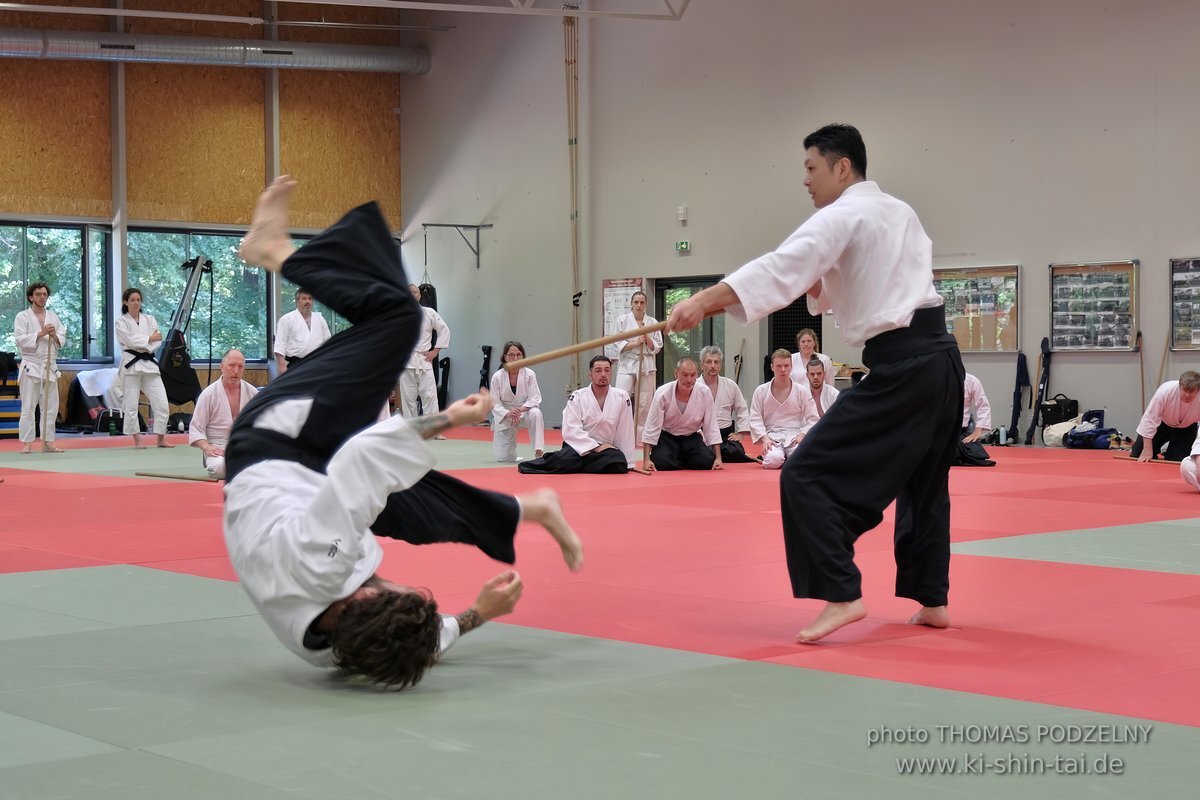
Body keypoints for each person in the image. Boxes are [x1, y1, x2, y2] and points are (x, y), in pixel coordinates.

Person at [225, 176, 583, 688]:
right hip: (296, 481)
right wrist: (477, 614)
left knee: (397, 318)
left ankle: (275, 250)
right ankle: (530, 509)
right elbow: (414, 642)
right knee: (406, 502)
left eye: (395, 587)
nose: (391, 580)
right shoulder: (338, 648)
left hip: (279, 441)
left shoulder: (321, 565)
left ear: (368, 597)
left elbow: (364, 456)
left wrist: (452, 419)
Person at [666, 123, 964, 643]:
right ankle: (932, 598)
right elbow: (838, 280)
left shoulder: (842, 214)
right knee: (925, 483)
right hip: (942, 360)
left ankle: (841, 592)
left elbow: (781, 268)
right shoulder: (899, 211)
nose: (805, 180)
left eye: (811, 167)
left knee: (802, 474)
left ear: (841, 166)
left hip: (905, 366)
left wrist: (703, 301)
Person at [518, 355, 634, 474]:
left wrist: (629, 462)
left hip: (606, 449)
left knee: (618, 462)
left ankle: (576, 466)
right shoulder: (578, 396)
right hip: (578, 445)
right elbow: (571, 429)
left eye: (607, 370)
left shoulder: (621, 396)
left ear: (611, 373)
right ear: (590, 375)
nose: (603, 374)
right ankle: (576, 464)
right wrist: (595, 447)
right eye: (598, 370)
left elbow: (625, 430)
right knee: (564, 459)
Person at [115, 287, 174, 449]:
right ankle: (137, 439)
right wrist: (148, 338)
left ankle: (161, 438)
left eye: (138, 300)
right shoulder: (121, 322)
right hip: (131, 364)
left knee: (161, 402)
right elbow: (129, 340)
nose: (135, 303)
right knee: (131, 404)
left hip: (149, 363)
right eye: (132, 300)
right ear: (125, 302)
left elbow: (158, 340)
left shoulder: (150, 319)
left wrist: (147, 342)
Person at [640, 358, 722, 471]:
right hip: (668, 437)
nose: (689, 380)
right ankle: (681, 458)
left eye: (693, 375)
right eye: (685, 375)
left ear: (697, 375)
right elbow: (651, 426)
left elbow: (711, 425)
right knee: (660, 462)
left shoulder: (704, 392)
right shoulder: (663, 392)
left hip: (692, 437)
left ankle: (679, 458)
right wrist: (646, 460)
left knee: (706, 461)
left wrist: (718, 458)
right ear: (676, 374)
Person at [14, 281, 67, 454]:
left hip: (49, 365)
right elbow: (20, 340)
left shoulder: (53, 317)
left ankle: (47, 442)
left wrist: (55, 336)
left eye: (44, 294)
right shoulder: (22, 317)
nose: (42, 297)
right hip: (31, 365)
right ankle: (27, 443)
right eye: (38, 294)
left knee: (51, 407)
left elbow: (62, 338)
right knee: (28, 406)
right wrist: (41, 333)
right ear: (31, 297)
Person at [189, 349, 259, 479]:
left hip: (245, 445)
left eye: (240, 367)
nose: (236, 371)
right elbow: (196, 429)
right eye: (231, 365)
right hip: (218, 447)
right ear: (222, 367)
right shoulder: (208, 394)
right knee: (221, 468)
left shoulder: (252, 393)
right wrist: (207, 447)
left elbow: (262, 424)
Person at [749, 350, 820, 470]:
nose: (783, 369)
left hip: (795, 436)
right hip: (772, 437)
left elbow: (813, 418)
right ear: (772, 367)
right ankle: (778, 457)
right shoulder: (761, 391)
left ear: (791, 366)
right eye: (779, 366)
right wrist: (765, 438)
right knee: (773, 461)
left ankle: (787, 457)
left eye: (786, 365)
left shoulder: (801, 391)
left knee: (799, 461)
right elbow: (755, 418)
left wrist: (803, 435)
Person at [399, 283, 451, 434]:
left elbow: (444, 330)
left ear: (420, 295)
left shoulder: (429, 312)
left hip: (424, 360)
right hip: (406, 360)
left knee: (429, 395)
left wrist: (436, 350)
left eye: (415, 292)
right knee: (408, 398)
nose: (412, 294)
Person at [612, 290, 662, 442]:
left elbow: (658, 346)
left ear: (646, 304)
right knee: (621, 397)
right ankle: (620, 434)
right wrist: (635, 343)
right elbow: (617, 342)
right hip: (627, 362)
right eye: (636, 302)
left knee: (644, 401)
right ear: (631, 304)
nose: (639, 305)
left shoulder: (652, 323)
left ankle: (640, 437)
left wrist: (646, 337)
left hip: (646, 362)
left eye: (642, 302)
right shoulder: (622, 320)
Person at [489, 340, 545, 462]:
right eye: (511, 355)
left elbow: (535, 398)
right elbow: (494, 402)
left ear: (523, 356)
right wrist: (508, 413)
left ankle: (538, 450)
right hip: (506, 415)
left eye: (519, 354)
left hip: (524, 412)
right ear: (505, 357)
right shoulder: (497, 377)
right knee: (504, 459)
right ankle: (508, 454)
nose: (515, 358)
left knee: (536, 413)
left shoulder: (530, 374)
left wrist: (520, 409)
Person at [699, 345, 754, 463]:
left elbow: (742, 410)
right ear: (701, 365)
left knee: (737, 452)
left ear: (720, 365)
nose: (713, 365)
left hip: (724, 434)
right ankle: (710, 453)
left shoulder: (730, 385)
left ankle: (712, 453)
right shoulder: (695, 386)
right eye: (708, 362)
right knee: (701, 453)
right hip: (702, 434)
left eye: (716, 362)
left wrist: (741, 433)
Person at [1134, 371, 1200, 462]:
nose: (1187, 395)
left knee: (1178, 460)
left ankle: (1171, 453)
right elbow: (1149, 419)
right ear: (1180, 386)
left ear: (1198, 390)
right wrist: (1147, 449)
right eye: (1185, 390)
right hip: (1163, 424)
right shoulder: (1165, 392)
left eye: (1192, 391)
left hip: (1187, 428)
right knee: (1137, 454)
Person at [274, 288, 332, 376]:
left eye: (310, 298)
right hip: (295, 364)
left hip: (317, 363)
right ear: (297, 301)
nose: (307, 302)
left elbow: (328, 342)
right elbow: (280, 344)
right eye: (304, 299)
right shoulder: (287, 319)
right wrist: (282, 366)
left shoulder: (320, 319)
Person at [803, 355, 839, 419]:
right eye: (812, 374)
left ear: (824, 374)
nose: (816, 377)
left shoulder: (833, 394)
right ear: (807, 375)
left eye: (819, 373)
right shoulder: (801, 394)